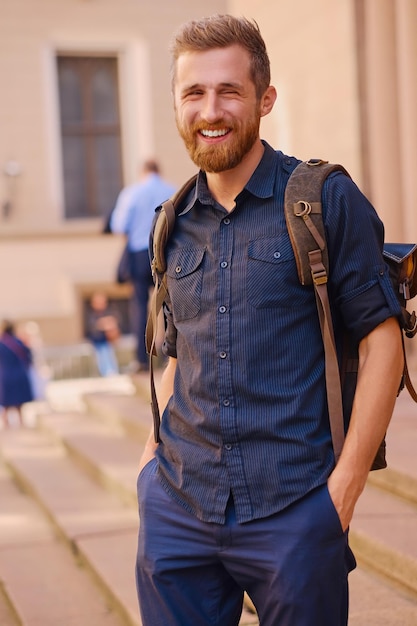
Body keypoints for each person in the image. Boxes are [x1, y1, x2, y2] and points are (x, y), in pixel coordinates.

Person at [135, 15, 404, 626]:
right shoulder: (171, 221)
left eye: (229, 91)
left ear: (264, 98)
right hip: (179, 506)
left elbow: (383, 339)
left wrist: (344, 490)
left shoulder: (323, 200)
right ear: (177, 105)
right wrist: (152, 462)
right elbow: (182, 351)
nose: (211, 110)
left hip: (296, 505)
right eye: (194, 93)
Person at [110, 159, 176, 372]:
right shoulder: (172, 190)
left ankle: (141, 359)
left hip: (139, 254)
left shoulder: (131, 193)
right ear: (159, 171)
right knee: (169, 304)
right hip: (166, 251)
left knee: (139, 307)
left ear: (143, 172)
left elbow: (119, 226)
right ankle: (172, 357)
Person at [0, 321, 34, 427]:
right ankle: (21, 421)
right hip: (20, 374)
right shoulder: (19, 342)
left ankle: (6, 423)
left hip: (6, 376)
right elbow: (29, 356)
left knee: (6, 402)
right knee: (19, 402)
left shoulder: (2, 344)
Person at [85, 292, 119, 377]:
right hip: (97, 341)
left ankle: (112, 370)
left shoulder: (108, 312)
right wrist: (104, 324)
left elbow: (113, 322)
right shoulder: (91, 315)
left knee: (108, 354)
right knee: (102, 356)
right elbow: (92, 327)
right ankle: (107, 371)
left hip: (107, 340)